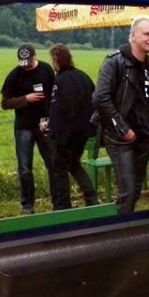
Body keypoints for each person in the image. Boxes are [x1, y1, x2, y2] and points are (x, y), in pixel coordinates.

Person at [92, 15, 149, 214]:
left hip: (143, 138)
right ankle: (120, 229)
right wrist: (123, 129)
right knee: (127, 191)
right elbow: (100, 98)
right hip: (120, 138)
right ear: (132, 36)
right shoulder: (114, 62)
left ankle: (127, 223)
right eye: (147, 34)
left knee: (135, 189)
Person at [1, 43, 57, 214]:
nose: (25, 66)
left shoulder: (46, 70)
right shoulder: (14, 75)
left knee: (53, 164)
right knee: (25, 168)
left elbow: (55, 95)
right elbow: (5, 103)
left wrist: (51, 119)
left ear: (35, 56)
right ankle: (27, 205)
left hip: (45, 124)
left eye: (29, 62)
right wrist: (25, 99)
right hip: (24, 126)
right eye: (23, 63)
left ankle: (58, 201)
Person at [47, 43, 100, 210]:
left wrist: (52, 131)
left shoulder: (60, 81)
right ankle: (91, 197)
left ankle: (63, 205)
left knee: (59, 168)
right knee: (74, 164)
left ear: (57, 60)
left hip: (65, 134)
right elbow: (95, 102)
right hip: (83, 132)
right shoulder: (83, 77)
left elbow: (58, 110)